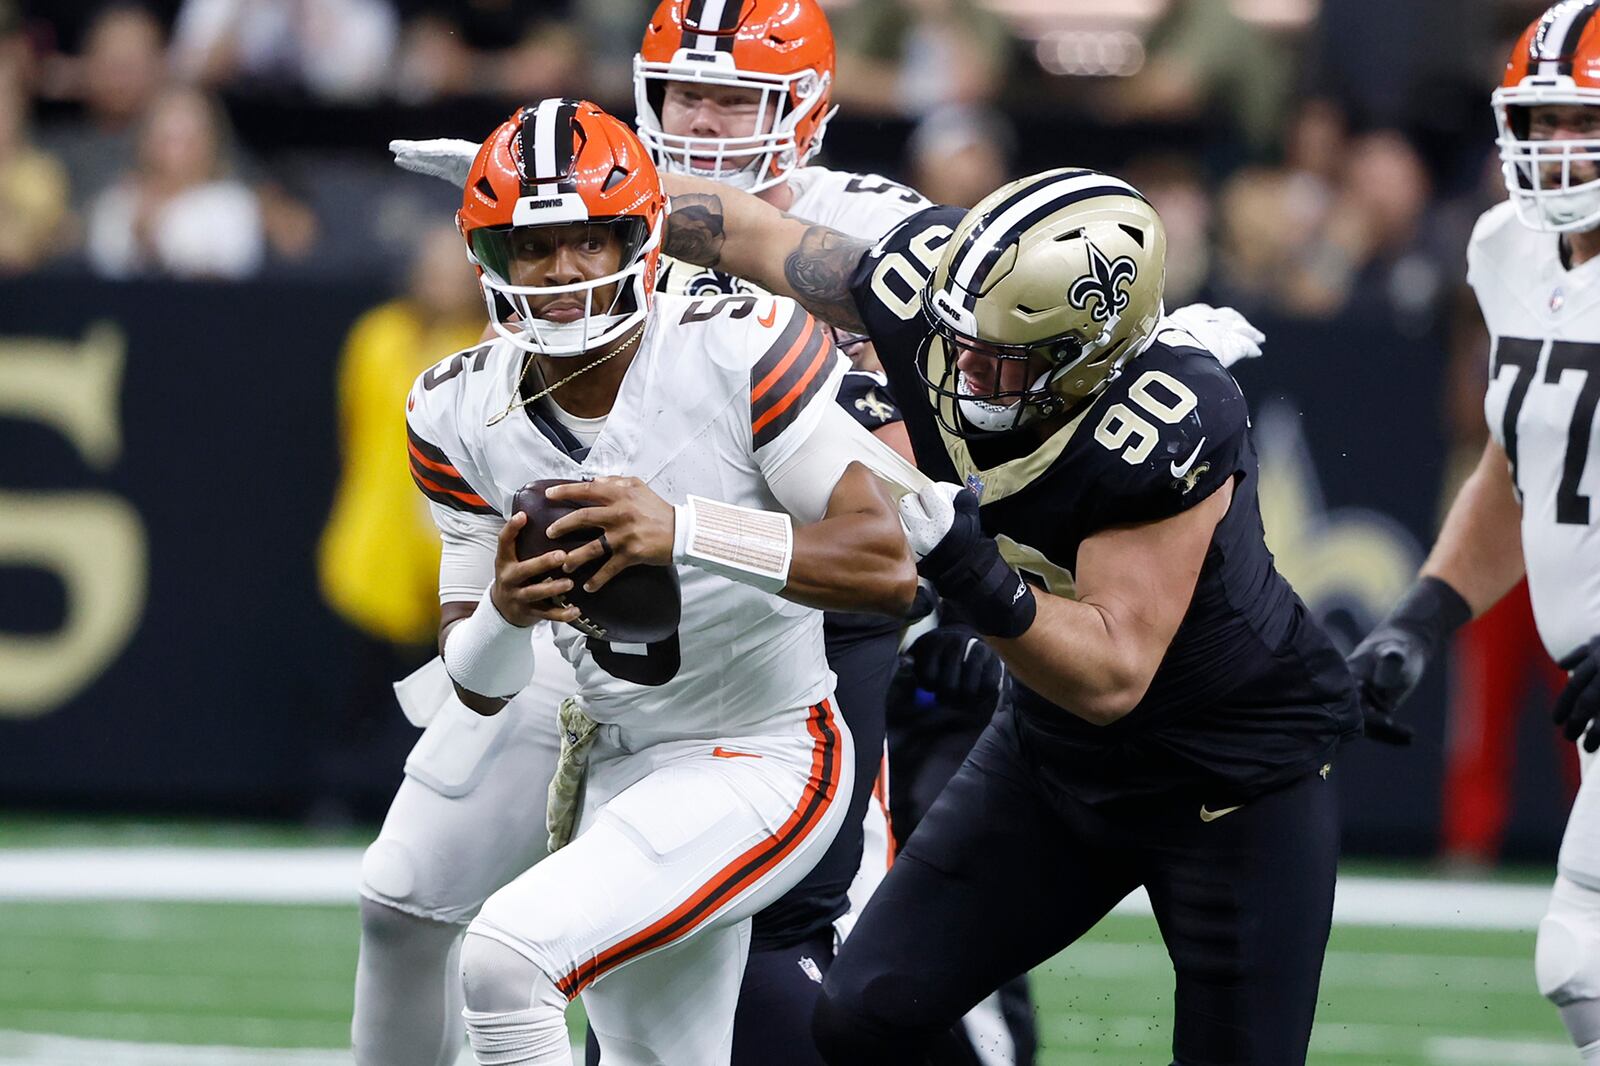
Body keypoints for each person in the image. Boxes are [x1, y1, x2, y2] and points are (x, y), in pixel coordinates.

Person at [374, 4, 1020, 1063]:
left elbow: (900, 484)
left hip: (800, 595)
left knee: (806, 928)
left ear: (804, 108)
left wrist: (587, 197)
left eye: (735, 96)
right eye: (685, 93)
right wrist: (553, 210)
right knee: (420, 890)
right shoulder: (586, 231)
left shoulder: (856, 221)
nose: (706, 120)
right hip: (609, 608)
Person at [655, 166, 1358, 1064]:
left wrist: (968, 570)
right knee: (866, 1012)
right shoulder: (932, 294)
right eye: (956, 341)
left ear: (1091, 353)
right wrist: (594, 201)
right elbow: (743, 232)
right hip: (1053, 757)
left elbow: (1112, 673)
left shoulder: (1167, 419)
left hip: (1227, 780)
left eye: (1002, 359)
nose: (961, 373)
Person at [1345, 4, 1600, 1059]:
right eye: (1536, 121)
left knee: (1582, 954)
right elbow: (1517, 465)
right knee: (1583, 957)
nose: (1552, 148)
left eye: (1577, 121)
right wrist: (1421, 613)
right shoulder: (1505, 249)